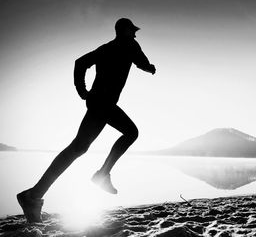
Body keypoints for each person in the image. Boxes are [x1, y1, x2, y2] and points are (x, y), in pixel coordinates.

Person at [17, 18, 156, 223]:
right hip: (103, 103)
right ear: (124, 31)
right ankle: (101, 176)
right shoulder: (129, 46)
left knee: (78, 148)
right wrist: (150, 67)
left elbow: (80, 63)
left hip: (98, 102)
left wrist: (83, 91)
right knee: (130, 133)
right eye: (132, 31)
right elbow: (141, 62)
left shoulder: (105, 48)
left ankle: (33, 195)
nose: (135, 34)